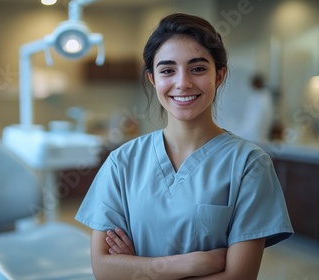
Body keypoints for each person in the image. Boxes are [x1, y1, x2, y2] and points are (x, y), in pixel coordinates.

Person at [75, 13, 293, 279]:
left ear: (220, 75)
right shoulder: (122, 162)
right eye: (167, 70)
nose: (183, 83)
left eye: (198, 68)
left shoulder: (249, 164)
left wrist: (138, 268)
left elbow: (238, 278)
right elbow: (105, 270)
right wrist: (193, 263)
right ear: (153, 79)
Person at [235, 74, 275, 142]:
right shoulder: (256, 96)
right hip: (252, 133)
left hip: (256, 134)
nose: (252, 86)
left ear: (257, 83)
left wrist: (249, 131)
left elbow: (258, 118)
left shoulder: (262, 98)